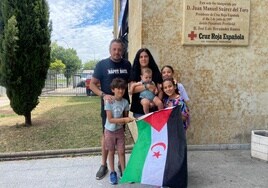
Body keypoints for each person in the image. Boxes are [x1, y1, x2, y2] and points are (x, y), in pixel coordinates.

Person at [90, 38, 131, 180]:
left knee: (120, 134)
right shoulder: (102, 65)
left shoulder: (127, 64)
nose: (117, 52)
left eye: (120, 49)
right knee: (106, 134)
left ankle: (121, 164)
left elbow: (131, 83)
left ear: (123, 51)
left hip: (123, 106)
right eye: (114, 49)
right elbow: (92, 85)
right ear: (110, 50)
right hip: (108, 107)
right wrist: (103, 94)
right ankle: (104, 165)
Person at [104, 78, 135, 185]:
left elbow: (125, 118)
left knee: (121, 152)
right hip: (109, 132)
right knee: (111, 152)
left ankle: (124, 172)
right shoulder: (109, 101)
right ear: (113, 89)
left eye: (123, 89)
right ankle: (112, 172)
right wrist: (123, 120)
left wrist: (127, 121)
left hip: (120, 132)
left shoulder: (125, 102)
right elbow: (110, 120)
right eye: (118, 88)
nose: (121, 91)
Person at [130, 48, 163, 118]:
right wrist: (147, 86)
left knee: (156, 129)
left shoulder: (155, 72)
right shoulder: (134, 72)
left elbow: (160, 91)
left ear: (149, 58)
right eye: (141, 57)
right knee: (144, 129)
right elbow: (132, 90)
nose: (143, 59)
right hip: (139, 109)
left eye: (146, 56)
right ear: (138, 59)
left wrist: (155, 103)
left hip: (154, 108)